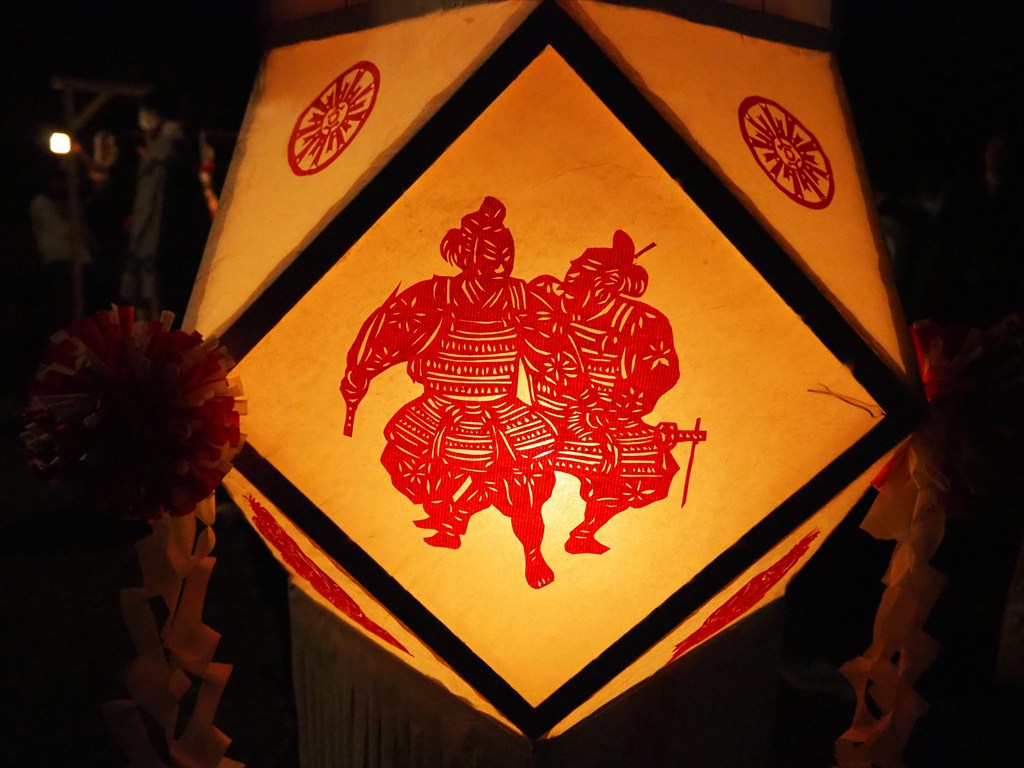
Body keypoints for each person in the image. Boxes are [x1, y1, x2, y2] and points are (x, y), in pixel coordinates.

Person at [341, 197, 560, 589]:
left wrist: (569, 393)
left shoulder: (524, 300)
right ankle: (445, 509)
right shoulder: (433, 296)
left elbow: (552, 355)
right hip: (440, 407)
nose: (497, 264)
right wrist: (362, 372)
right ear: (465, 254)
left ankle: (531, 552)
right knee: (400, 462)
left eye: (503, 254)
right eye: (489, 254)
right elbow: (389, 335)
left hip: (501, 409)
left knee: (527, 485)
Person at [525, 230, 684, 555]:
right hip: (548, 417)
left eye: (577, 282)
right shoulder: (552, 312)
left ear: (604, 287)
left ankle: (586, 529)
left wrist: (616, 413)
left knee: (648, 469)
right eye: (568, 281)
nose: (567, 288)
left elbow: (659, 376)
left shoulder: (643, 322)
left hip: (610, 419)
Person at [120, 90, 210, 321]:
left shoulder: (165, 151)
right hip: (170, 241)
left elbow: (155, 202)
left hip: (162, 242)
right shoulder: (173, 147)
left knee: (161, 302)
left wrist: (142, 226)